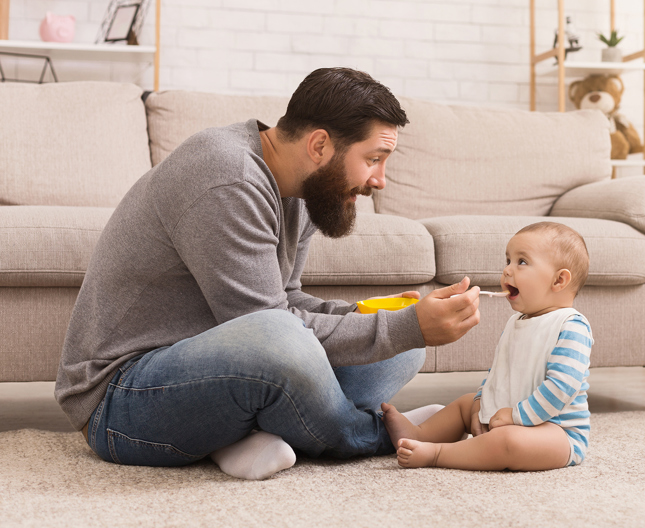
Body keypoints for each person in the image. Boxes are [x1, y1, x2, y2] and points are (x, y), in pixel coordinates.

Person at [55, 67, 481, 480]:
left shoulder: (303, 188)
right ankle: (381, 435)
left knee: (403, 346)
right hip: (122, 398)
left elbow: (285, 300)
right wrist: (403, 328)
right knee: (293, 339)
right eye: (373, 159)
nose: (380, 180)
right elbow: (270, 330)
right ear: (319, 146)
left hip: (219, 370)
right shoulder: (227, 176)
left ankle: (239, 438)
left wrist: (376, 316)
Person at [381, 221, 593, 471]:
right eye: (507, 261)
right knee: (465, 403)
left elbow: (561, 389)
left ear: (559, 280)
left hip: (556, 432)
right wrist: (483, 401)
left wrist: (516, 417)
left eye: (521, 262)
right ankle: (418, 433)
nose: (507, 271)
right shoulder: (516, 322)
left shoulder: (571, 326)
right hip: (508, 415)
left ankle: (438, 453)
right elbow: (499, 373)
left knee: (509, 442)